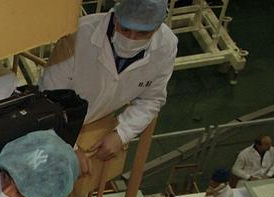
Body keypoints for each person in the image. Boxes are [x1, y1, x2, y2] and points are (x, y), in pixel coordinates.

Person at [40, 0, 177, 168]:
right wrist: (70, 146)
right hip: (53, 126)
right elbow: (50, 97)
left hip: (93, 129)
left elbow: (151, 99)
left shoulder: (166, 45)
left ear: (157, 28)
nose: (131, 39)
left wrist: (121, 133)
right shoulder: (80, 34)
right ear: (115, 17)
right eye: (125, 29)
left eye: (143, 34)